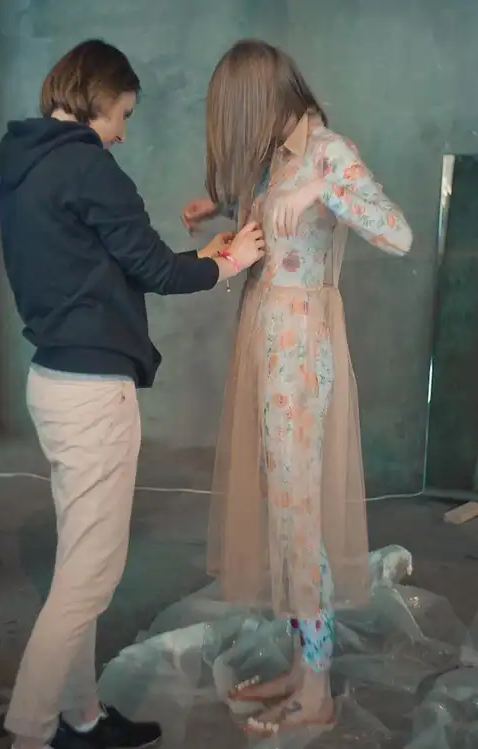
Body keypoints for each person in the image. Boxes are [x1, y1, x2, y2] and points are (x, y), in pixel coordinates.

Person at [0, 39, 265, 749]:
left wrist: (204, 257)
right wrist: (230, 261)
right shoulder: (89, 165)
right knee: (88, 581)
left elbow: (106, 265)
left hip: (52, 381)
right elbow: (155, 271)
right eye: (122, 114)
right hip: (92, 394)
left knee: (76, 566)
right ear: (95, 100)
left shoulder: (23, 160)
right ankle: (30, 734)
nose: (121, 131)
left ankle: (81, 718)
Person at [182, 39, 413, 736]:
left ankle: (316, 688)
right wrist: (223, 207)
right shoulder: (278, 157)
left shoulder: (326, 153)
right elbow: (277, 224)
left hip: (298, 353)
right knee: (283, 513)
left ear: (262, 102)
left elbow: (397, 233)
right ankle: (301, 663)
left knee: (299, 514)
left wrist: (322, 189)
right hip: (266, 341)